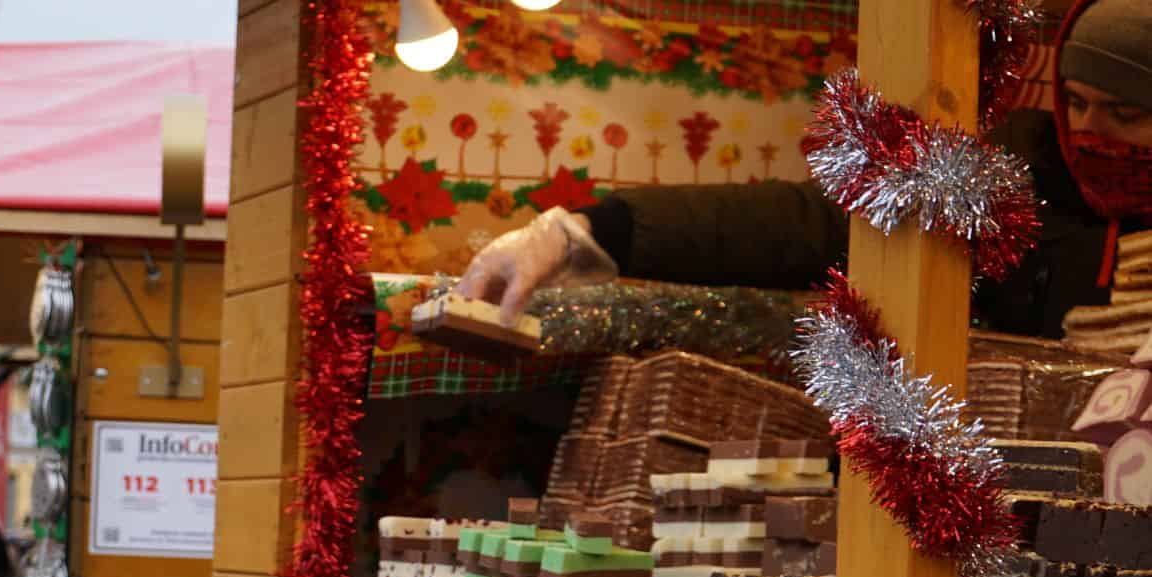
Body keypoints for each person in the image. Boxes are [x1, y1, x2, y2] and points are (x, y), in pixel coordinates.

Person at [461, 0, 1152, 340]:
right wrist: (582, 230)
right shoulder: (1001, 183)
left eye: (1124, 113)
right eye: (1077, 103)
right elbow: (803, 224)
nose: (1089, 132)